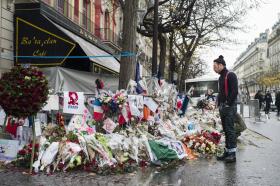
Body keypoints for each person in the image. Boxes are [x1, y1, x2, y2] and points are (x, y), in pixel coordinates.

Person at [213, 55, 238, 163]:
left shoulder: (230, 75)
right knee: (226, 130)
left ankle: (232, 154)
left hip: (229, 107)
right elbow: (221, 92)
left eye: (215, 66)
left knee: (230, 130)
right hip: (223, 106)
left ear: (221, 65)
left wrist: (227, 103)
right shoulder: (220, 77)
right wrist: (218, 101)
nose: (214, 68)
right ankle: (227, 151)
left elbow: (234, 91)